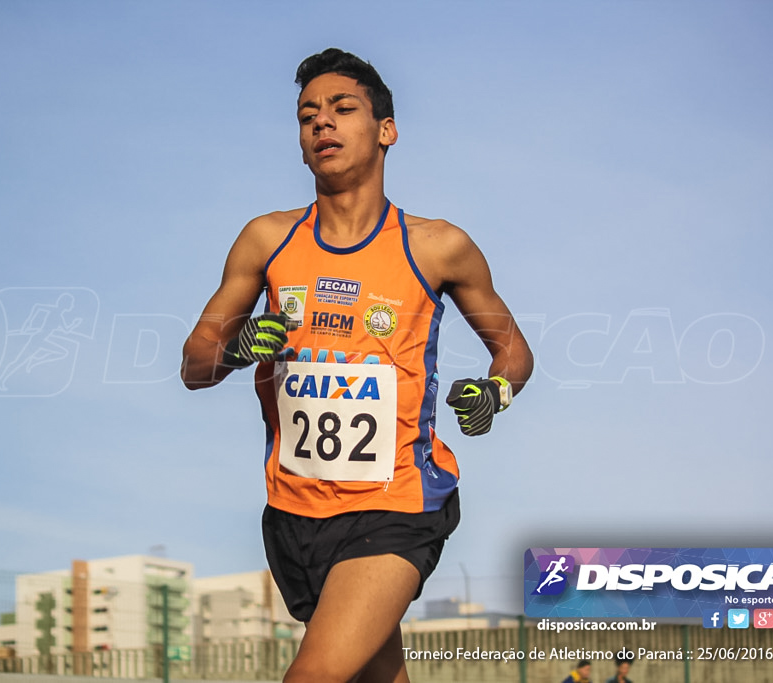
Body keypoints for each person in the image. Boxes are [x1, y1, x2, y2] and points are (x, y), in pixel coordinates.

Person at [181, 47, 533, 683]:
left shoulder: (437, 246)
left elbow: (514, 351)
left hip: (398, 502)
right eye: (307, 115)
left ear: (386, 130)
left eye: (342, 109)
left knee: (313, 676)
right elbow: (194, 362)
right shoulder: (267, 240)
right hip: (293, 512)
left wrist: (495, 391)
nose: (322, 124)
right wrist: (237, 349)